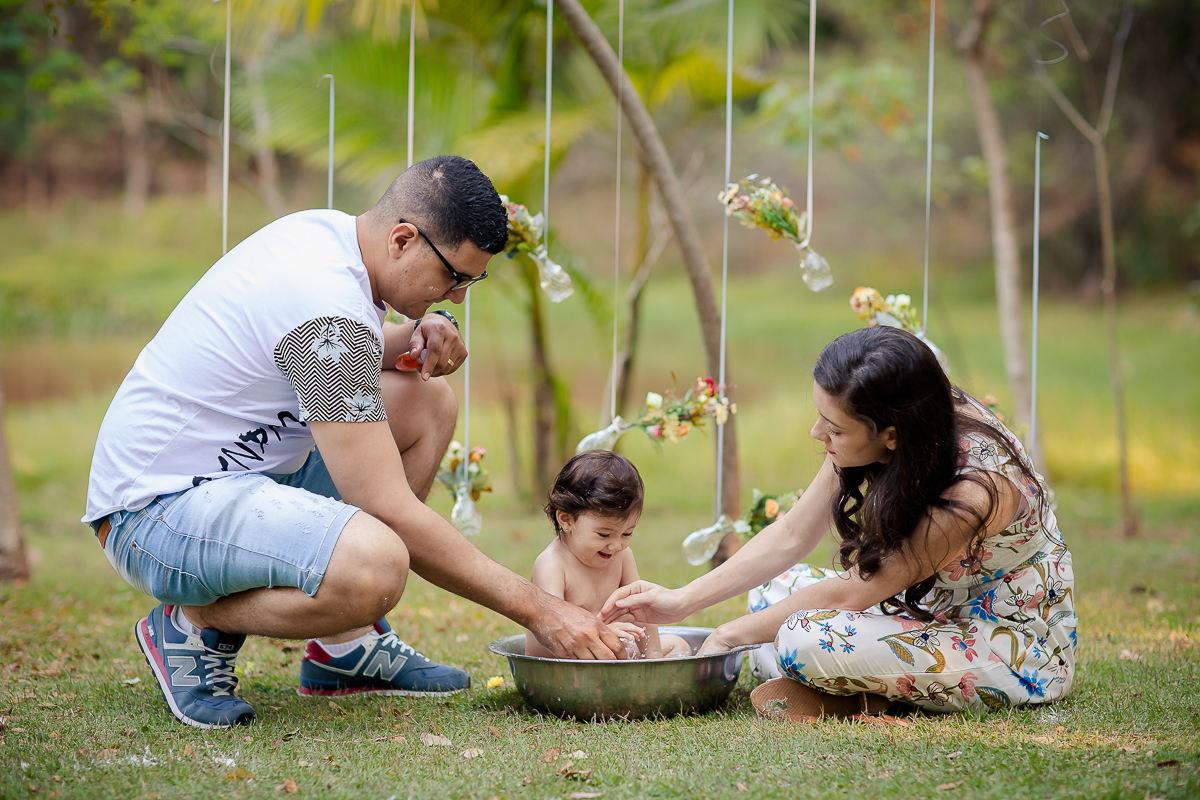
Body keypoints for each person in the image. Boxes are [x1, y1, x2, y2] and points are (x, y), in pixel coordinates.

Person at [83, 155, 627, 730]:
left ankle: (345, 645)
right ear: (403, 239)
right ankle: (190, 625)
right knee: (375, 565)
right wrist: (543, 610)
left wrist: (413, 334)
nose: (458, 298)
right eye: (454, 278)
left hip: (246, 476)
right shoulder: (322, 309)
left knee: (426, 401)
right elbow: (382, 498)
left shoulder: (332, 240)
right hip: (154, 511)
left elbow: (336, 350)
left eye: (471, 281)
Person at [602, 326, 1075, 718]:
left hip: (1006, 644)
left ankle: (861, 695)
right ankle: (855, 689)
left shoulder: (973, 494)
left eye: (834, 428)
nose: (816, 433)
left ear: (892, 435)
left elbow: (854, 592)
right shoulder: (898, 413)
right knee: (771, 591)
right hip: (922, 611)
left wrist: (726, 635)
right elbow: (792, 534)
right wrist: (682, 600)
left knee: (800, 636)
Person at [525, 451, 690, 660]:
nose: (616, 545)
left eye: (627, 533)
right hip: (563, 661)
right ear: (567, 520)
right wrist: (604, 630)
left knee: (678, 645)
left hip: (607, 650)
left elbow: (641, 610)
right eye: (604, 534)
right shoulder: (552, 565)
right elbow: (554, 631)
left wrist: (653, 657)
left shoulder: (622, 556)